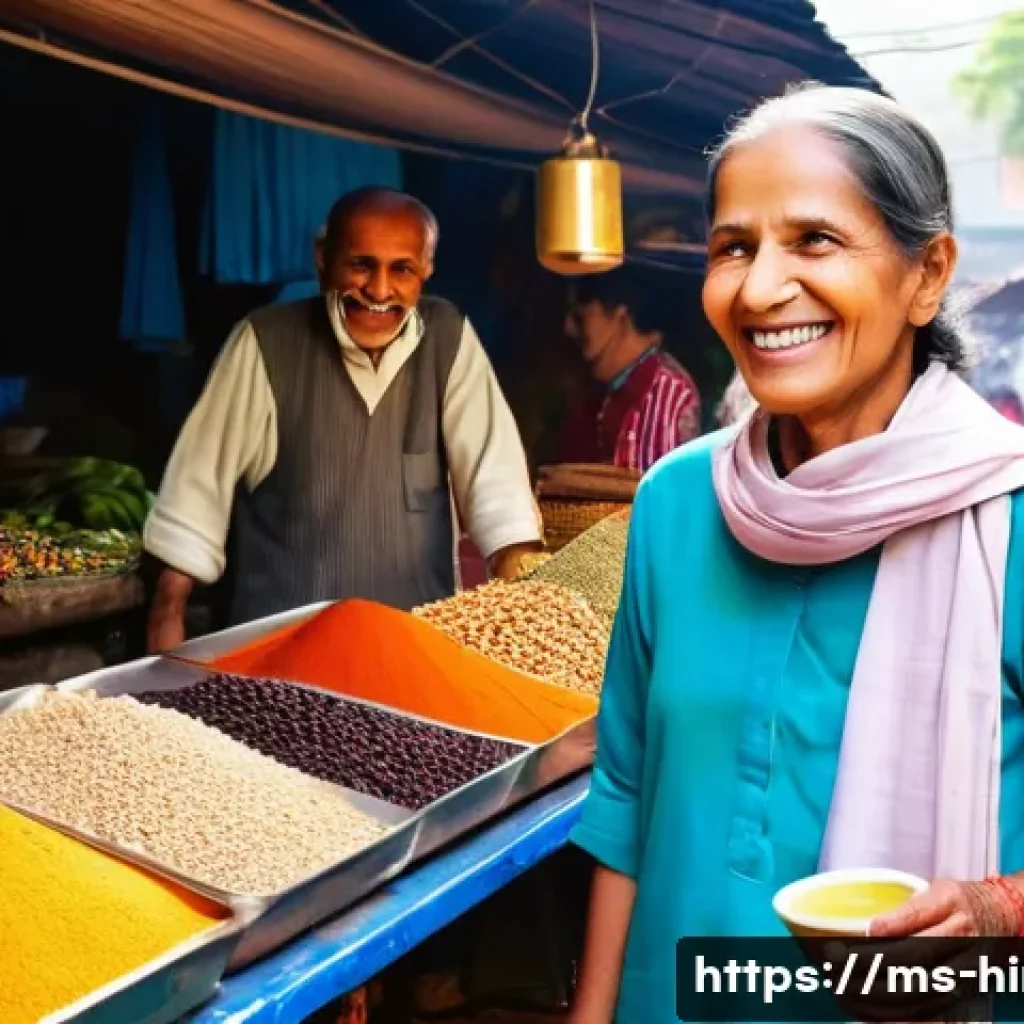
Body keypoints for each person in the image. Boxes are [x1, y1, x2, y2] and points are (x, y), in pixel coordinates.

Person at [566, 82, 1024, 1024]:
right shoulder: (674, 506)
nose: (761, 288)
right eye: (733, 246)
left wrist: (997, 908)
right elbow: (626, 793)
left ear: (927, 273)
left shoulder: (1008, 514)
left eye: (814, 240)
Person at [145, 187, 542, 651]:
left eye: (402, 269)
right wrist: (167, 614)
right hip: (278, 658)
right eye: (360, 264)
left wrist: (529, 605)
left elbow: (497, 486)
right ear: (323, 258)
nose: (378, 290)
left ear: (426, 270)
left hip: (414, 653)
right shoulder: (266, 342)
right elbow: (198, 490)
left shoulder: (448, 339)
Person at [557, 269, 701, 473]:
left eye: (581, 313)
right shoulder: (594, 393)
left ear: (619, 314)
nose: (569, 328)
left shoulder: (667, 393)